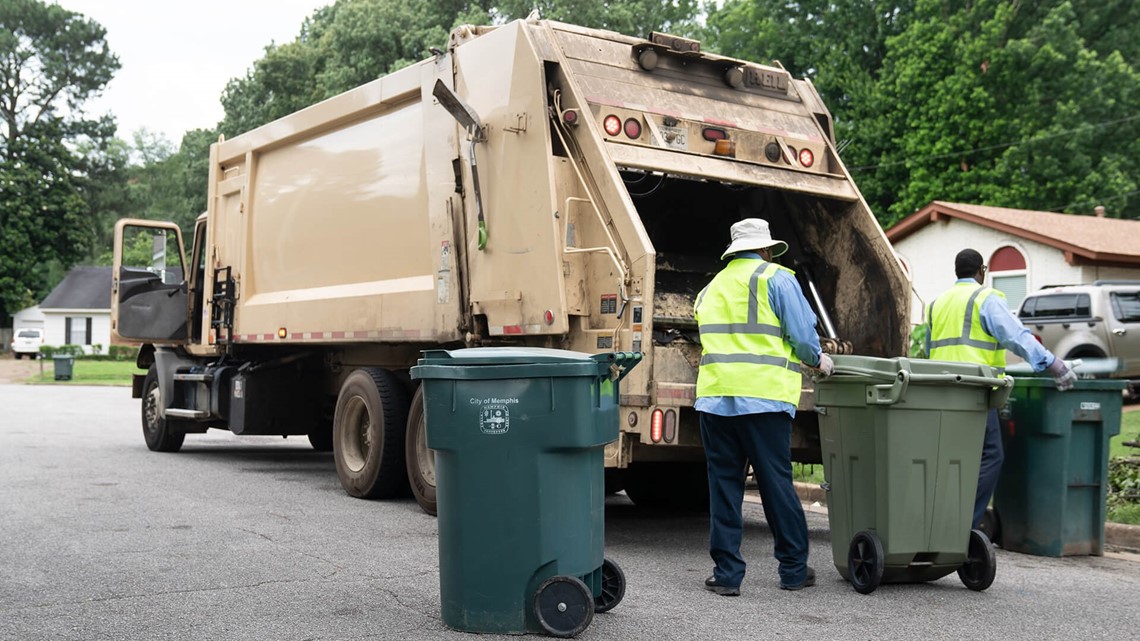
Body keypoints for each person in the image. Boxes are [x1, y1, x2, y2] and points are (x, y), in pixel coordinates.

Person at [693, 218, 834, 596]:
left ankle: (726, 575)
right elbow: (803, 336)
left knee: (723, 485)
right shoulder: (777, 278)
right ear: (767, 249)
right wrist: (817, 359)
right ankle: (792, 570)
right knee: (775, 483)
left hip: (716, 399)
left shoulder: (709, 289)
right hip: (764, 398)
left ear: (734, 251)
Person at [926, 248, 1077, 529]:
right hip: (975, 391)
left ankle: (940, 519)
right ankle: (962, 525)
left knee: (951, 459)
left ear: (956, 271)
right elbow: (1016, 337)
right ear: (981, 271)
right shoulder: (985, 298)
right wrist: (1052, 363)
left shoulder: (937, 304)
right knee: (991, 455)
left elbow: (928, 350)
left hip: (941, 393)